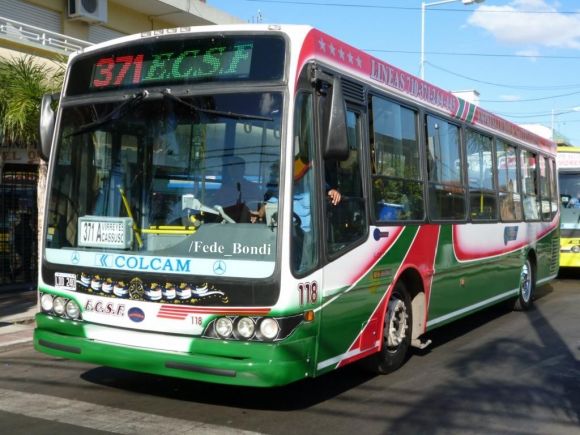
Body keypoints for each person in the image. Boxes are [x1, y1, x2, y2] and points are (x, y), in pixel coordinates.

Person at [212, 156, 262, 222]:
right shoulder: (224, 189)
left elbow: (261, 208)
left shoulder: (253, 188)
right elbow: (214, 208)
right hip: (226, 224)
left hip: (249, 225)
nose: (233, 169)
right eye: (230, 166)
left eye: (236, 166)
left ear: (243, 169)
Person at [14, 213, 33, 281]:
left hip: (25, 249)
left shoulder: (24, 227)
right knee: (26, 265)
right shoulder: (23, 227)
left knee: (26, 264)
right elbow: (18, 240)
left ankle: (27, 277)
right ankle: (15, 274)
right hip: (24, 249)